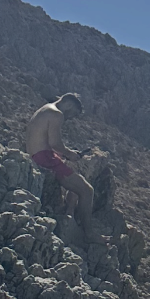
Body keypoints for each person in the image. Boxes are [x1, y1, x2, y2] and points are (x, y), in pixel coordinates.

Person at [25, 93, 94, 226]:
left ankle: (69, 214)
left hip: (37, 154)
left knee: (75, 182)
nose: (70, 117)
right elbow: (55, 143)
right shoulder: (57, 114)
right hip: (45, 159)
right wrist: (71, 154)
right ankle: (88, 232)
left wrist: (64, 154)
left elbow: (45, 141)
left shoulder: (45, 109)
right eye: (72, 113)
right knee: (87, 190)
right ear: (68, 104)